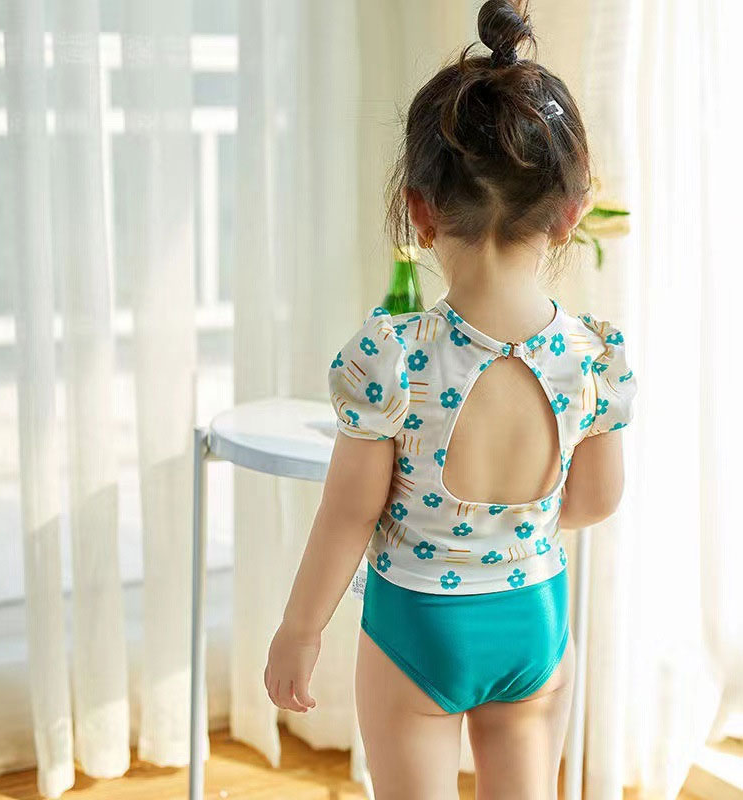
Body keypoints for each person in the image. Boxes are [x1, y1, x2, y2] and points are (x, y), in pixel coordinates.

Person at [264, 1, 637, 797]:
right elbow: (597, 500)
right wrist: (515, 527)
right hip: (533, 617)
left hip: (418, 627)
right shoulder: (595, 358)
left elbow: (348, 512)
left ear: (421, 211)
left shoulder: (393, 359)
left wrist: (300, 630)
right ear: (570, 215)